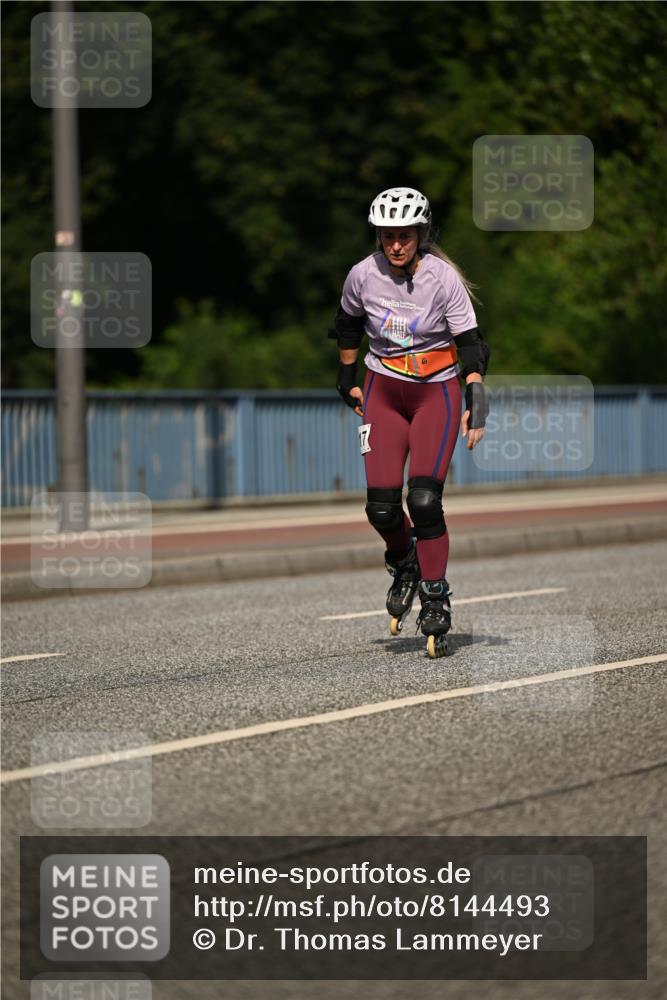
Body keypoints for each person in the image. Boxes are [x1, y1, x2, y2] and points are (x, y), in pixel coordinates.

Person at [330, 187, 490, 657]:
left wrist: (475, 399)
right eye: (387, 236)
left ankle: (436, 596)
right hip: (383, 391)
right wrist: (346, 376)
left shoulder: (442, 280)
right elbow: (347, 323)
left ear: (420, 234)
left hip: (435, 394)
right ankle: (404, 561)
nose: (395, 244)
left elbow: (472, 344)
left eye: (404, 236)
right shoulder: (363, 274)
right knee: (381, 508)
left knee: (422, 500)